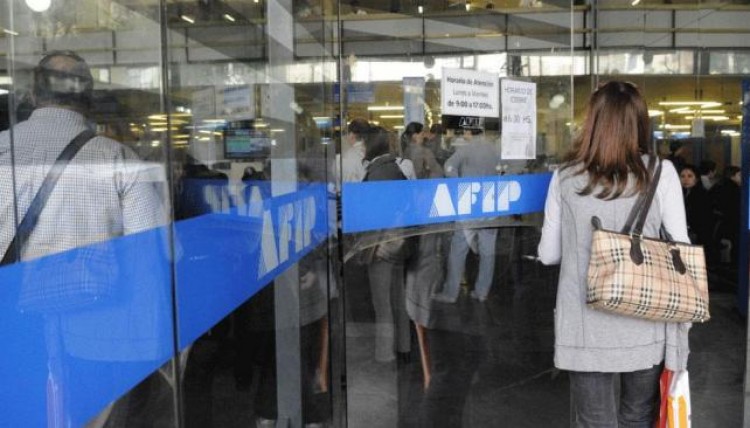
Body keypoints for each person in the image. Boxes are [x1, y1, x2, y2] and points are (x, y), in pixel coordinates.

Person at [0, 51, 167, 426]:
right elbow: (149, 255)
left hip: (9, 327)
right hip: (96, 336)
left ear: (33, 95)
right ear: (88, 96)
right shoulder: (117, 158)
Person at [538, 81, 691, 427]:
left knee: (594, 422)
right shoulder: (660, 172)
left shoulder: (565, 176)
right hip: (646, 321)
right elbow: (680, 246)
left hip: (585, 326)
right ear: (640, 122)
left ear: (592, 121)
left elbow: (548, 255)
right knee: (637, 416)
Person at [361, 126, 413, 363]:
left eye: (363, 143)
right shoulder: (395, 168)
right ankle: (404, 347)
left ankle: (384, 355)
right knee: (398, 299)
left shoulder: (378, 173)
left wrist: (379, 244)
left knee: (382, 303)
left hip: (382, 245)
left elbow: (376, 215)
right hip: (399, 242)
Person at [432, 124, 500, 303]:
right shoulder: (494, 149)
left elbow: (448, 166)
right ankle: (482, 291)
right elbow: (504, 171)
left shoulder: (466, 149)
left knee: (458, 250)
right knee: (488, 252)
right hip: (490, 205)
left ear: (469, 132)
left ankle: (451, 293)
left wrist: (459, 184)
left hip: (468, 206)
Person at [679, 164, 714, 246]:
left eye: (690, 176)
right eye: (682, 176)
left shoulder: (702, 195)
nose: (686, 179)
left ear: (697, 179)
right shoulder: (680, 194)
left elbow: (701, 221)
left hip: (698, 237)